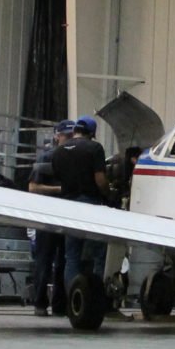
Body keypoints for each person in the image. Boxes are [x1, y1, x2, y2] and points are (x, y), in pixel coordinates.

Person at [51, 115, 109, 290]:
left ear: (75, 130)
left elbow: (59, 178)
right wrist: (109, 195)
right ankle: (97, 296)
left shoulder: (59, 151)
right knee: (98, 253)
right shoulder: (95, 148)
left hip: (68, 205)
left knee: (72, 256)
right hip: (90, 204)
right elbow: (100, 179)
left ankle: (74, 299)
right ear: (92, 133)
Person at [28, 119, 76, 316]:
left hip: (68, 217)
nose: (70, 139)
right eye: (67, 136)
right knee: (44, 261)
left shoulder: (76, 160)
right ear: (57, 136)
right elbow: (33, 188)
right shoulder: (46, 158)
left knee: (65, 262)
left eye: (73, 136)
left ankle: (59, 305)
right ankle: (40, 303)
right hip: (48, 217)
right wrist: (59, 189)